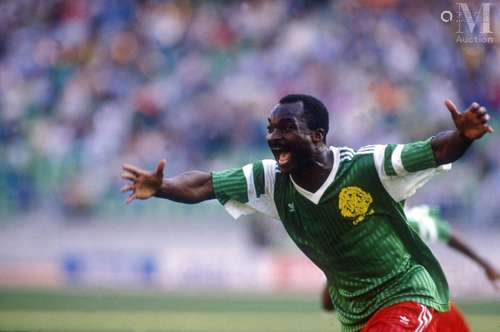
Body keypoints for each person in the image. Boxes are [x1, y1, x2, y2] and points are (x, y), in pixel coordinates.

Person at [121, 94, 493, 331]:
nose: (274, 137)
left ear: (317, 136)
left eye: (286, 128)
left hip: (406, 295)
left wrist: (463, 136)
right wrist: (162, 187)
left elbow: (436, 151)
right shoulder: (271, 180)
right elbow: (204, 184)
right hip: (356, 315)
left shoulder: (368, 167)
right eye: (270, 129)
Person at [321, 205, 500, 331]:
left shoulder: (404, 223)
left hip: (422, 305)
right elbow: (327, 304)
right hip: (389, 311)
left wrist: (484, 264)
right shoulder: (354, 241)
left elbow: (445, 233)